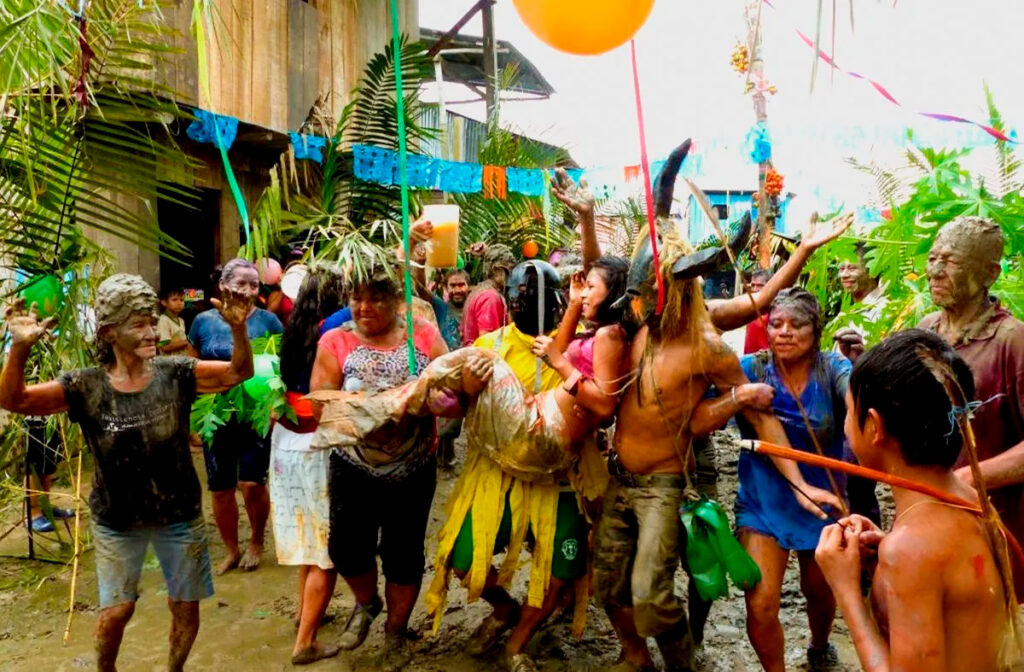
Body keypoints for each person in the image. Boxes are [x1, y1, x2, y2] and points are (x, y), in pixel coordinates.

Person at [592, 140, 842, 672]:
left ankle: (686, 660)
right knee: (607, 584)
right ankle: (636, 656)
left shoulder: (706, 341)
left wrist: (800, 481)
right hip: (619, 475)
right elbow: (599, 278)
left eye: (644, 297)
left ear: (670, 293)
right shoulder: (635, 323)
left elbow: (763, 416)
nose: (635, 307)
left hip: (665, 480)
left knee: (654, 593)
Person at [0, 273, 254, 672]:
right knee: (117, 612)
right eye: (138, 324)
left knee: (185, 605)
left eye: (151, 321)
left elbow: (237, 373)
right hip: (116, 519)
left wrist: (239, 331)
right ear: (108, 332)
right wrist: (18, 349)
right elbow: (15, 400)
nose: (151, 332)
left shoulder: (176, 373)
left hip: (179, 514)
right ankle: (106, 670)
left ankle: (173, 669)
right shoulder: (85, 385)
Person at [816, 329, 1015, 672]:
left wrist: (846, 591)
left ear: (874, 427)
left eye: (849, 413)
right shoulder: (967, 495)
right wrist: (887, 549)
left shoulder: (911, 548)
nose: (847, 423)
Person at [691, 288, 851, 671]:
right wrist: (738, 398)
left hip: (823, 499)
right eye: (776, 323)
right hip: (764, 501)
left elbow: (858, 396)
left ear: (817, 330)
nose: (784, 332)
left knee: (818, 589)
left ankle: (819, 645)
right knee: (761, 603)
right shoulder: (750, 369)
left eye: (797, 324)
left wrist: (862, 374)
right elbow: (698, 419)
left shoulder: (834, 369)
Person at [309, 270, 448, 671]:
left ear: (397, 300)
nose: (364, 307)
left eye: (375, 298)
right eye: (357, 297)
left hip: (413, 465)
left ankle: (396, 632)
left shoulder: (421, 335)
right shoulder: (335, 340)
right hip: (353, 464)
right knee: (346, 551)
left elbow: (452, 389)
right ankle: (368, 604)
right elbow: (319, 405)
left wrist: (428, 402)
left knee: (404, 554)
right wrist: (368, 409)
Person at [916, 217, 1024, 574]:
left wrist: (964, 478)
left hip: (996, 528)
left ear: (989, 273)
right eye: (933, 258)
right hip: (927, 517)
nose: (936, 271)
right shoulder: (926, 330)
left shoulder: (1011, 340)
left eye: (952, 261)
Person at [269, 265, 346, 665]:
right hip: (317, 440)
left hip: (286, 441)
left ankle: (306, 613)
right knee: (325, 549)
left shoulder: (289, 329)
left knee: (306, 537)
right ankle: (306, 641)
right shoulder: (333, 329)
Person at [188, 258, 283, 573]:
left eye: (254, 284)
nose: (248, 289)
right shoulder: (202, 322)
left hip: (256, 414)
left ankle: (257, 539)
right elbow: (191, 370)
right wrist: (192, 418)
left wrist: (274, 407)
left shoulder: (268, 321)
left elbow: (282, 369)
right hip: (214, 415)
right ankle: (231, 549)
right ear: (222, 286)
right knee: (220, 487)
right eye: (241, 283)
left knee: (252, 484)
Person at [436, 268, 471, 468]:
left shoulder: (473, 308)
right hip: (447, 372)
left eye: (461, 285)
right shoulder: (441, 308)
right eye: (453, 285)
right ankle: (444, 457)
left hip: (469, 370)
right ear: (445, 288)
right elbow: (421, 290)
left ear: (468, 287)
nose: (458, 289)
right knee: (448, 419)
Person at [461, 243, 516, 345]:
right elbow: (488, 344)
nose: (512, 277)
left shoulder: (477, 292)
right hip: (483, 358)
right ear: (497, 270)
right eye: (510, 270)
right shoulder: (491, 298)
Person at [742, 269, 772, 354]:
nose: (755, 289)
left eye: (760, 285)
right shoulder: (749, 305)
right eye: (753, 285)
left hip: (766, 361)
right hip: (750, 359)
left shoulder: (774, 308)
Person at [157, 286, 189, 355]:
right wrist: (187, 342)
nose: (179, 303)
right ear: (164, 302)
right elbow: (164, 346)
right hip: (169, 363)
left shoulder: (181, 320)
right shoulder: (163, 320)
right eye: (174, 300)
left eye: (181, 300)